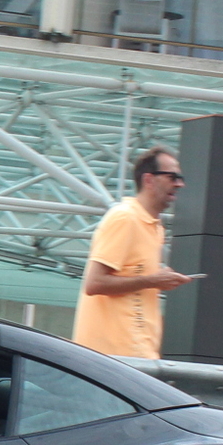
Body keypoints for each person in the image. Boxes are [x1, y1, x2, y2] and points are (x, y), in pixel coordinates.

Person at [72, 148, 193, 360]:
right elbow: (94, 284)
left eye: (180, 178)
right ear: (149, 180)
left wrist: (154, 281)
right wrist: (152, 280)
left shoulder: (154, 227)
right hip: (113, 358)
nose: (179, 184)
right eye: (172, 177)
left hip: (136, 355)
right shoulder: (125, 218)